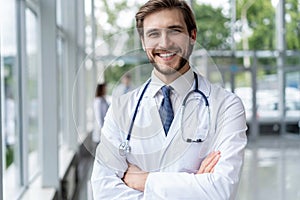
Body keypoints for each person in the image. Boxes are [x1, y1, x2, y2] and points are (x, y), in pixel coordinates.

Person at [91, 0, 247, 199]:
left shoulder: (226, 106)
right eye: (153, 34)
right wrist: (193, 186)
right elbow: (104, 191)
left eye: (174, 31)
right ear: (143, 41)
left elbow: (221, 190)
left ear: (192, 36)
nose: (164, 43)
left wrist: (144, 180)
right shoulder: (121, 108)